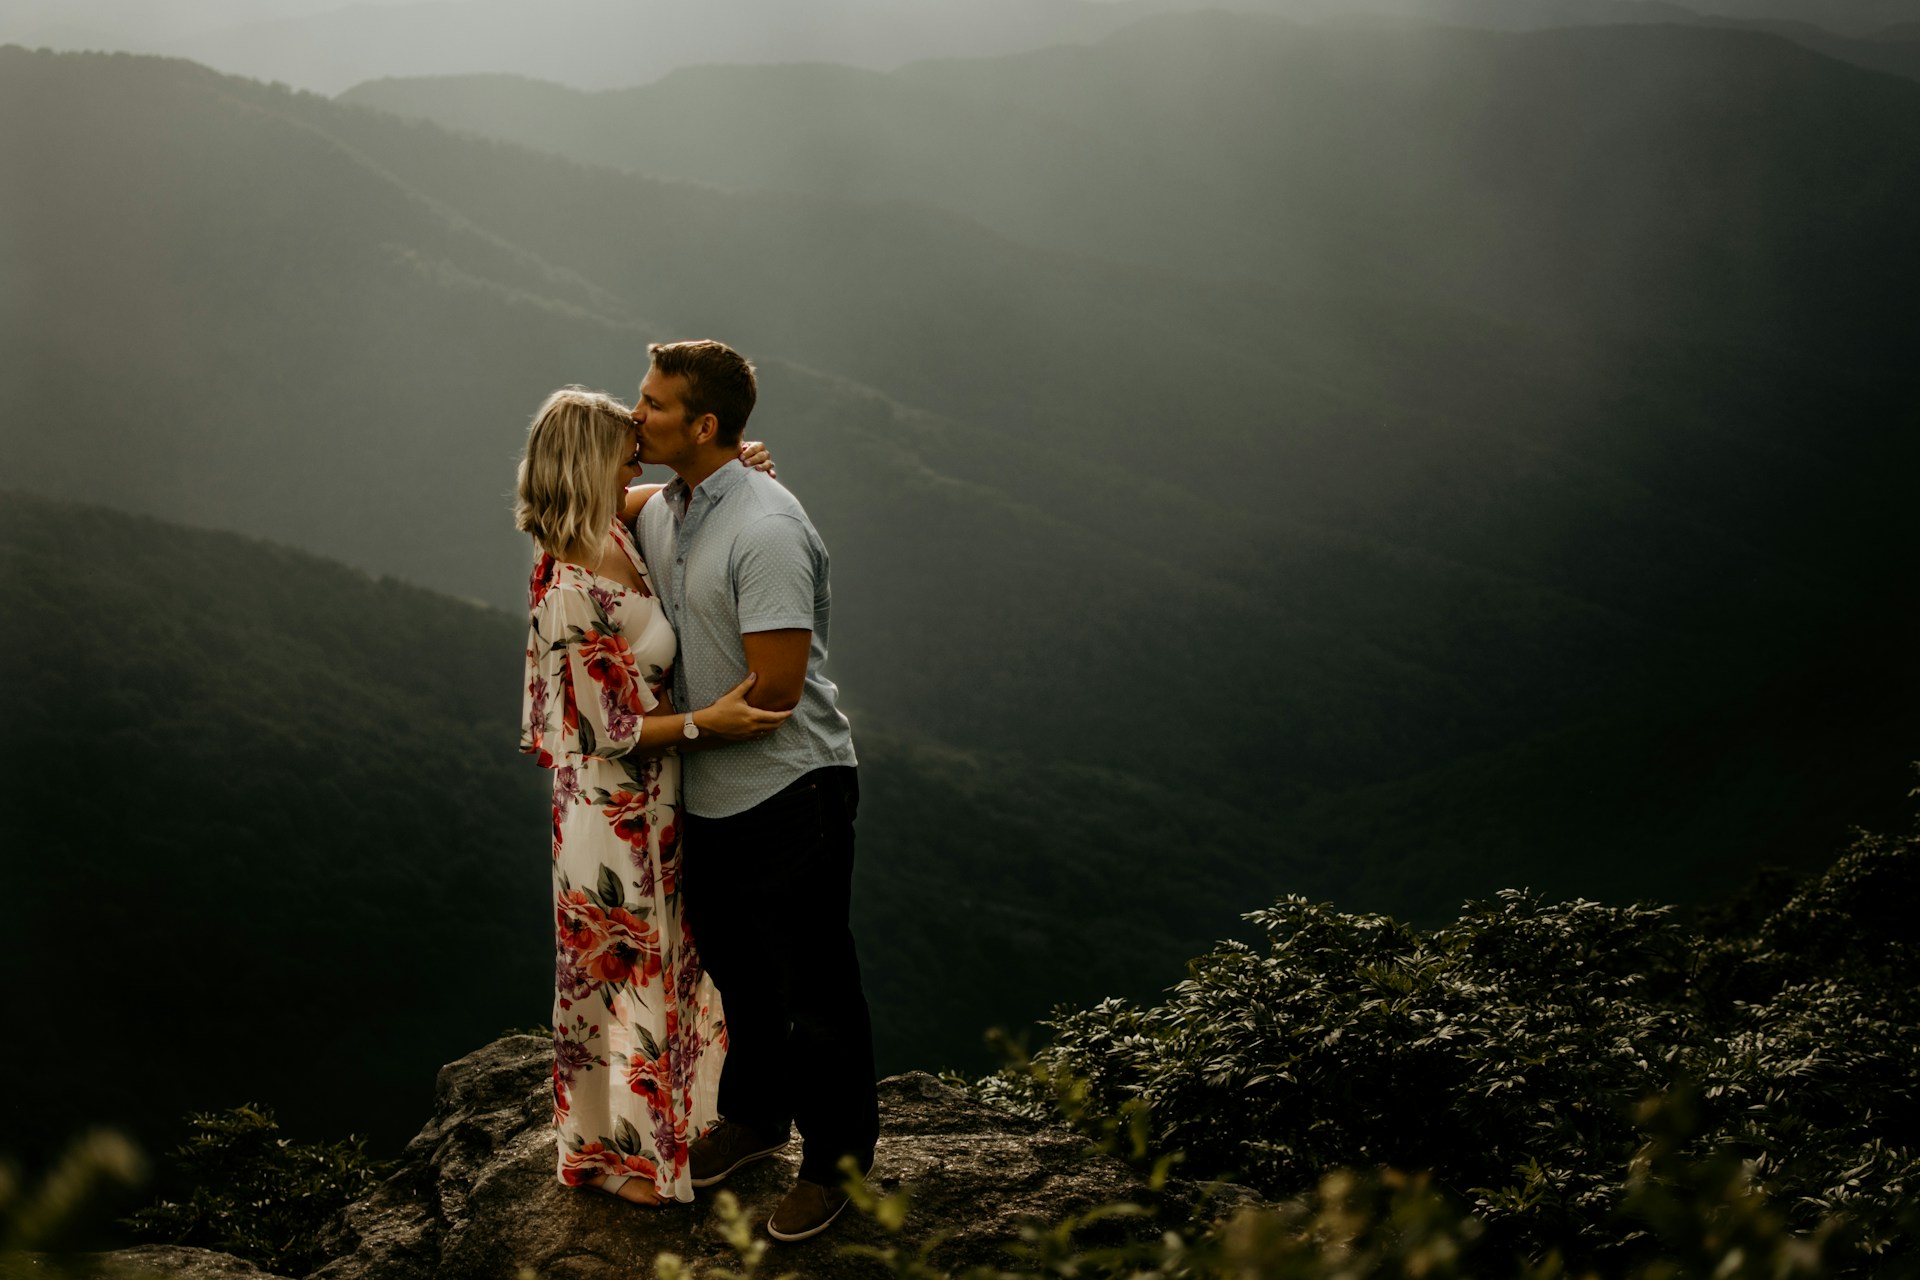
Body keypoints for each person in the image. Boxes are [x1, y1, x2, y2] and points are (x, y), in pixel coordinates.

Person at [515, 386, 790, 1206]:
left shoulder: (612, 528)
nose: (641, 463)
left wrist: (734, 468)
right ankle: (621, 1159)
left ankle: (647, 1138)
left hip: (654, 799)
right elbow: (609, 729)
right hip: (611, 808)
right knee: (626, 972)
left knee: (660, 969)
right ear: (595, 465)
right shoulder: (572, 581)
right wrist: (712, 722)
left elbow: (664, 492)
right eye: (626, 452)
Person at [631, 340, 877, 1243]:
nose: (636, 415)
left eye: (653, 405)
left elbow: (774, 691)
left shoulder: (765, 527)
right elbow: (571, 507)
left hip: (791, 790)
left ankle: (837, 1165)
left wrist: (676, 729)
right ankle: (757, 1117)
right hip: (708, 793)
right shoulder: (673, 505)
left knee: (816, 991)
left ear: (703, 424)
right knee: (737, 972)